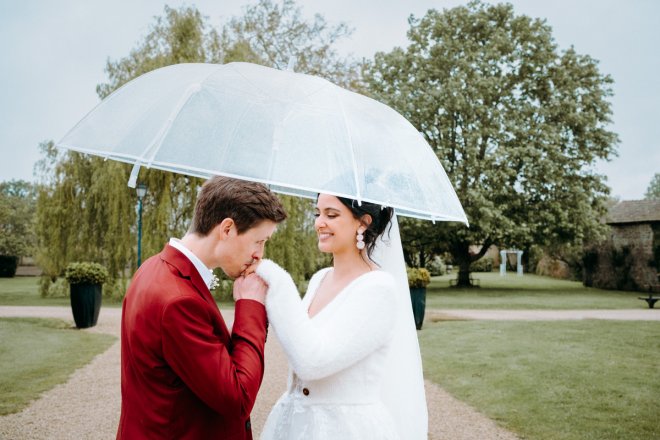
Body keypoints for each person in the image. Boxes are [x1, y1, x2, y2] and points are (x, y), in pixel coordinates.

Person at [117, 176, 287, 440]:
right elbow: (237, 399)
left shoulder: (151, 268)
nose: (259, 255)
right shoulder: (179, 301)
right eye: (259, 241)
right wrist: (250, 306)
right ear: (227, 229)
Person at [255, 193, 428, 440]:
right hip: (293, 423)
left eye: (331, 215)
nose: (319, 223)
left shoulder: (378, 290)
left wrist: (273, 277)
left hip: (344, 429)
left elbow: (312, 361)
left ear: (363, 222)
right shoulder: (319, 278)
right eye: (317, 213)